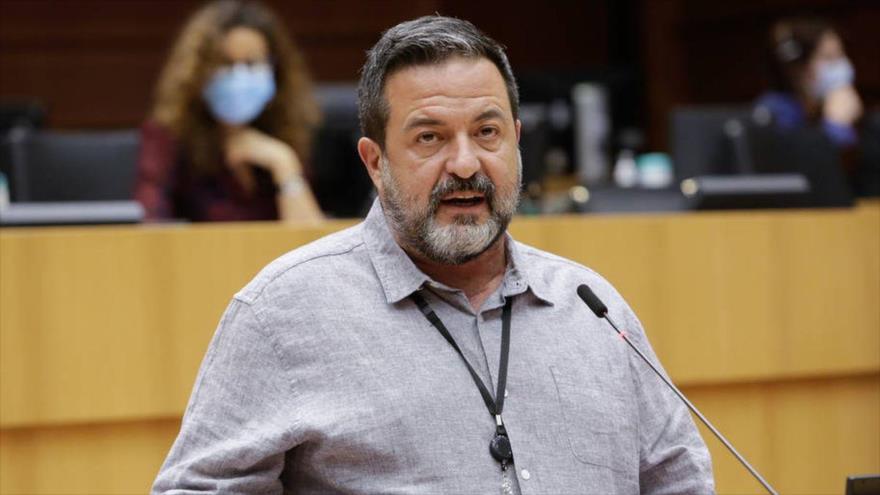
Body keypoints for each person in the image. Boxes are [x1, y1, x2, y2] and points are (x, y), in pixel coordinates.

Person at [153, 15, 714, 494]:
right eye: (430, 138)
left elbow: (681, 481)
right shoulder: (282, 314)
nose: (466, 163)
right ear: (375, 162)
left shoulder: (593, 309)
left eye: (488, 132)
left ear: (517, 142)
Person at [135, 0, 323, 222]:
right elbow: (150, 224)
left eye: (252, 63)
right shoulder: (169, 135)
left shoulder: (290, 132)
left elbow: (311, 245)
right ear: (197, 71)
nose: (238, 76)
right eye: (225, 63)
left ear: (275, 69)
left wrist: (284, 164)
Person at [756, 17, 862, 149]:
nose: (841, 65)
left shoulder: (821, 108)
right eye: (828, 57)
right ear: (799, 68)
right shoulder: (773, 113)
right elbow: (805, 163)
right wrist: (836, 125)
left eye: (841, 55)